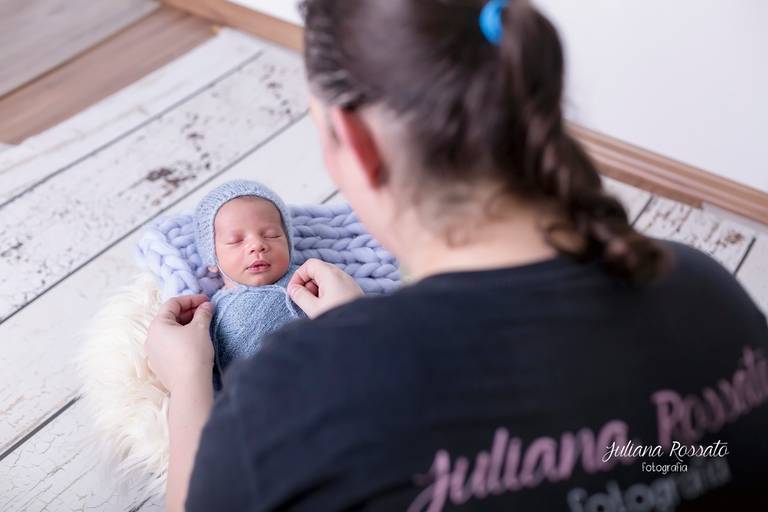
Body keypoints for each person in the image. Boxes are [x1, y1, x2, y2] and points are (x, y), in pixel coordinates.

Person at [146, 0, 768, 510]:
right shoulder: (706, 292)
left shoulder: (289, 392)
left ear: (358, 144)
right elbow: (646, 451)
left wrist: (187, 388)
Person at [192, 180, 305, 379]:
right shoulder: (212, 313)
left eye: (271, 235)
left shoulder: (310, 278)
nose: (257, 245)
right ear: (212, 257)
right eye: (235, 240)